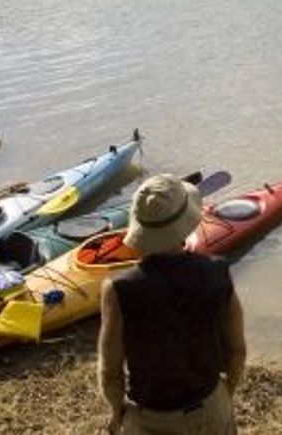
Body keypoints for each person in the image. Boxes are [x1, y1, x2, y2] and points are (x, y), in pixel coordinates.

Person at [98, 174, 246, 435]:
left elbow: (110, 371)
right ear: (185, 224)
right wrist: (225, 395)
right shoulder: (217, 272)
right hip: (210, 405)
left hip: (152, 419)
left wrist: (116, 409)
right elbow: (237, 352)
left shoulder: (118, 289)